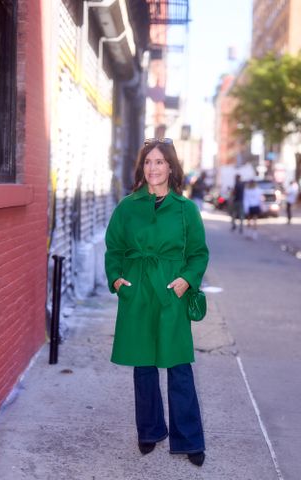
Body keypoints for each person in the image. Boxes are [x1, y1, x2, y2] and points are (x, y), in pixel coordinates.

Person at [105, 138, 209, 467]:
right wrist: (118, 281)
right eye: (148, 161)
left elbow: (198, 254)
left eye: (160, 162)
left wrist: (187, 281)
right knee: (144, 365)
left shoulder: (185, 209)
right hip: (137, 292)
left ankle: (189, 438)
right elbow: (114, 249)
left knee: (179, 366)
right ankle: (149, 431)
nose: (153, 168)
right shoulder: (127, 207)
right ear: (142, 168)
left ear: (171, 167)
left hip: (170, 292)